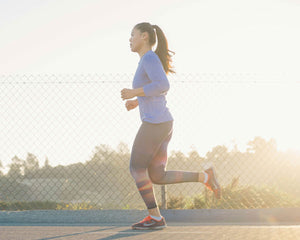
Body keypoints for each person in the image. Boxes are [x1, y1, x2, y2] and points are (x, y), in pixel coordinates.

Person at [121, 22, 221, 230]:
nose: (130, 39)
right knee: (157, 175)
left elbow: (163, 86)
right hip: (163, 122)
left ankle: (155, 218)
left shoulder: (148, 58)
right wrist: (137, 101)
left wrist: (135, 92)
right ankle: (206, 177)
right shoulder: (146, 60)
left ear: (145, 37)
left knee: (136, 168)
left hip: (156, 123)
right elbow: (156, 89)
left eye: (133, 35)